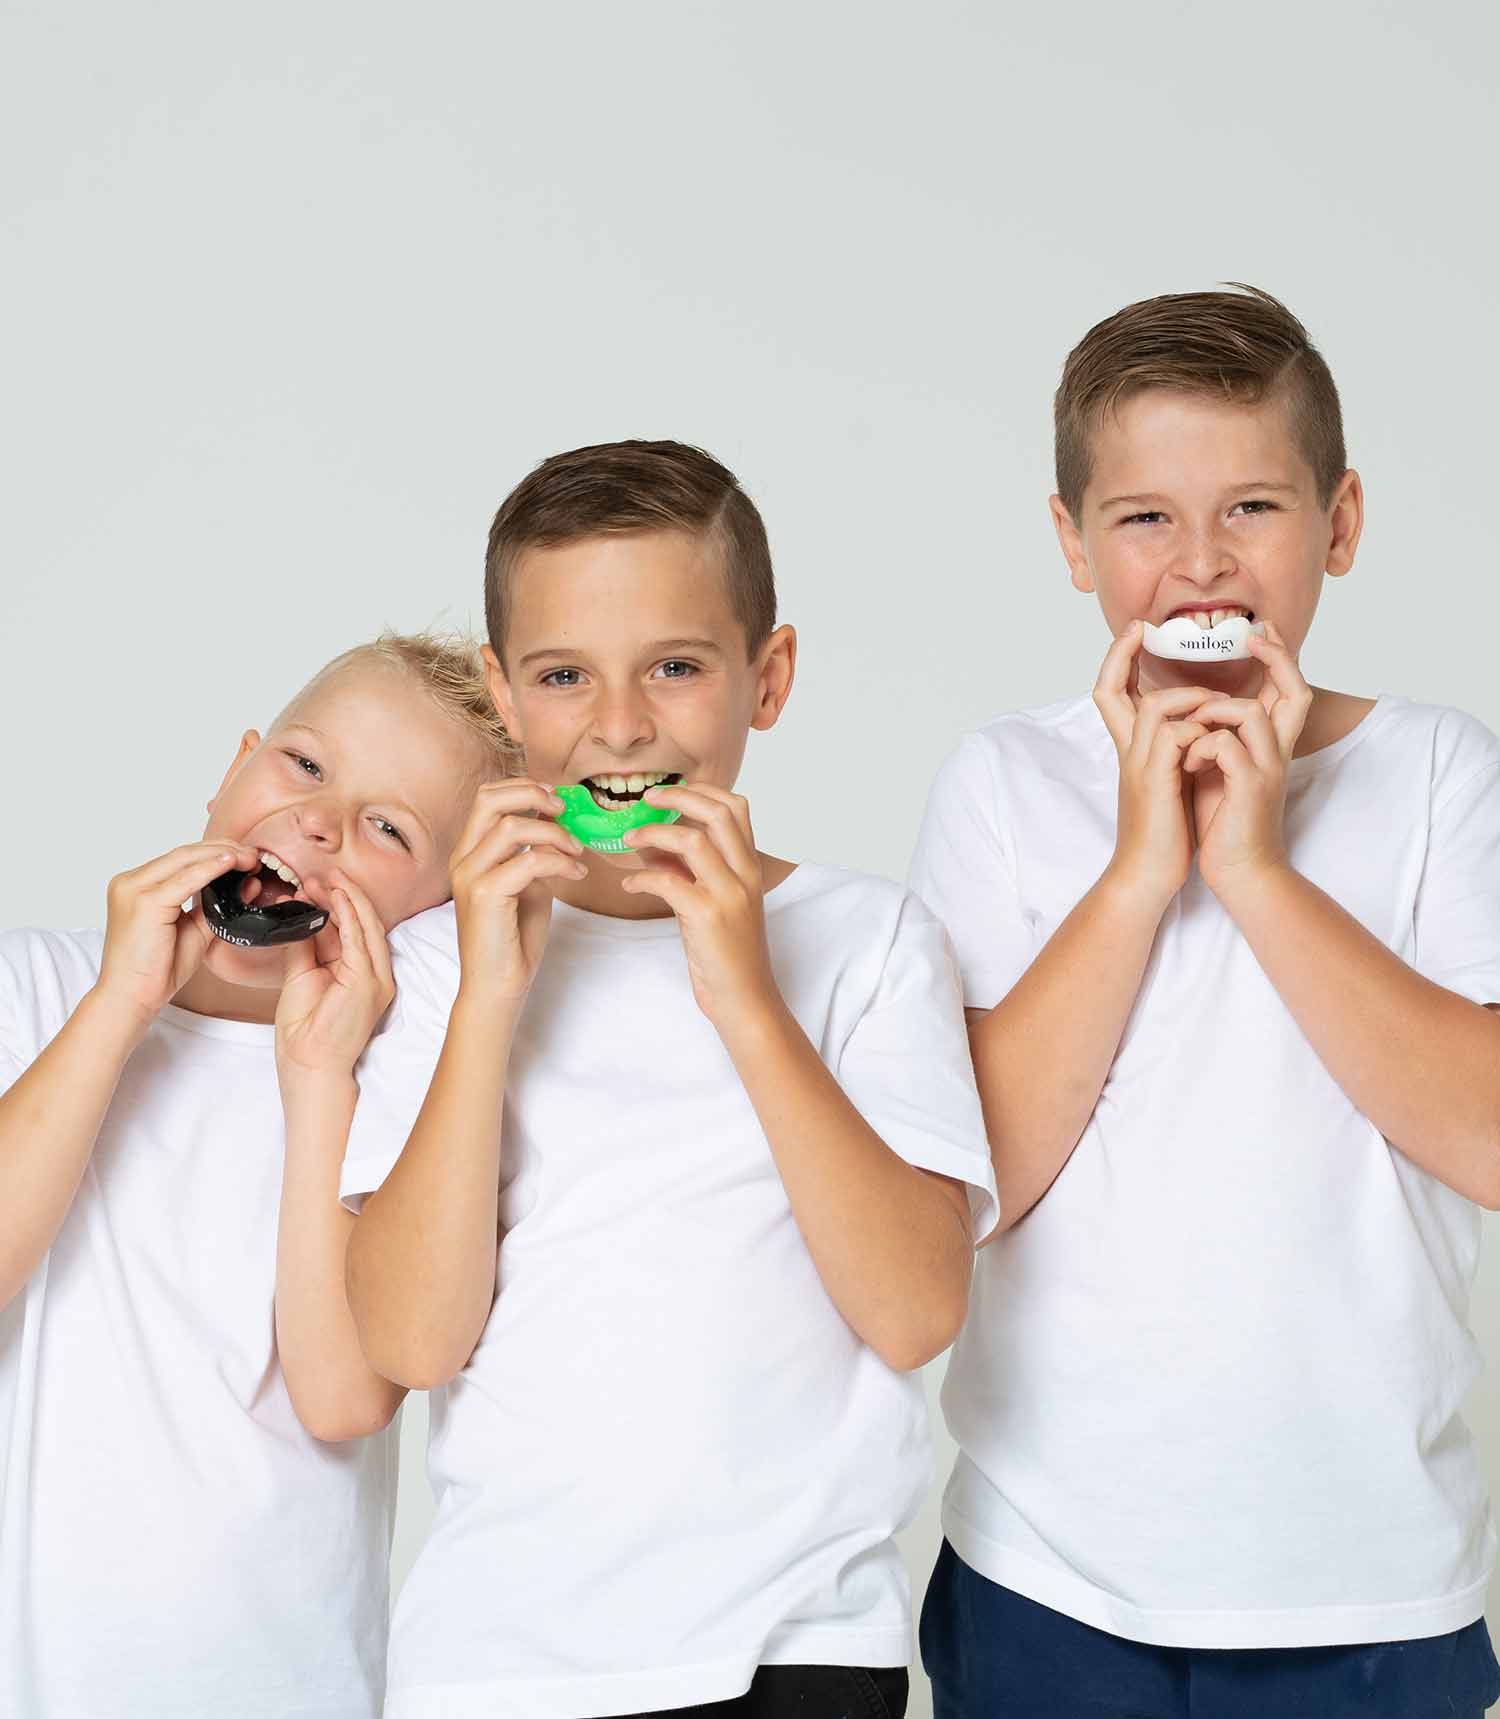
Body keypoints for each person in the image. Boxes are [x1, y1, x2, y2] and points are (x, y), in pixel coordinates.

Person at [335, 440, 998, 1719]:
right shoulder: (438, 967)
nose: (621, 724)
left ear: (770, 677)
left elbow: (917, 1311)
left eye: (678, 668)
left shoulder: (870, 941)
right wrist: (490, 1001)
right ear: (503, 695)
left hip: (795, 1652)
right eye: (564, 675)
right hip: (494, 1666)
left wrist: (744, 992)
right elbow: (413, 1340)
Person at [910, 284, 1500, 1719]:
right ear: (1072, 544)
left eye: (1253, 508)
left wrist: (1252, 865)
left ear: (1342, 523)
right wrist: (1137, 868)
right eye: (1144, 520)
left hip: (1376, 1574)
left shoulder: (1436, 774)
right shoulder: (1006, 782)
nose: (1201, 565)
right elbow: (972, 1175)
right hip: (1055, 1564)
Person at [0, 631, 517, 1718]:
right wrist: (119, 1007)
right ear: (232, 770)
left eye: (388, 827)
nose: (321, 820)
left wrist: (319, 1076)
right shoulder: (37, 991)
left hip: (285, 1687)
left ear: (427, 913)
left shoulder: (391, 1092)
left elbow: (343, 1399)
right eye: (303, 764)